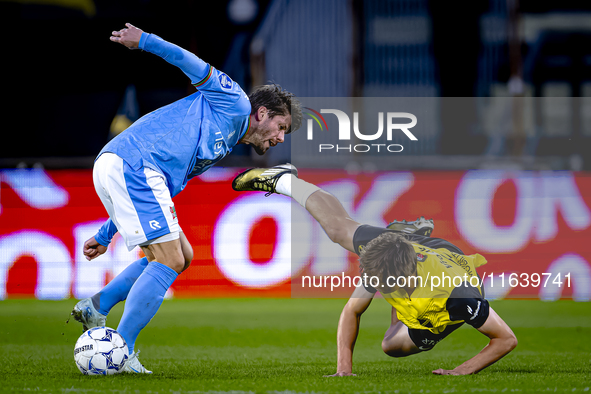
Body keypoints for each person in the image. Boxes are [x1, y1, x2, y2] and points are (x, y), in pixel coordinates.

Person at [71, 23, 302, 374]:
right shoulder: (235, 102)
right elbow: (188, 60)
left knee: (182, 255)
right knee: (169, 259)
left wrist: (105, 235)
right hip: (134, 163)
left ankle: (96, 306)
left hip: (127, 168)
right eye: (281, 127)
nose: (280, 138)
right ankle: (121, 350)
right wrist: (144, 41)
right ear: (262, 113)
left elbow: (145, 197)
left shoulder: (222, 140)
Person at [232, 165, 518, 376]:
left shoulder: (458, 296)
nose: (370, 281)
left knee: (391, 346)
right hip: (405, 246)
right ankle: (284, 180)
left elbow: (505, 339)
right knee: (337, 229)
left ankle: (405, 237)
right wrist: (344, 370)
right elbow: (352, 310)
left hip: (448, 268)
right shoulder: (380, 257)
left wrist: (461, 371)